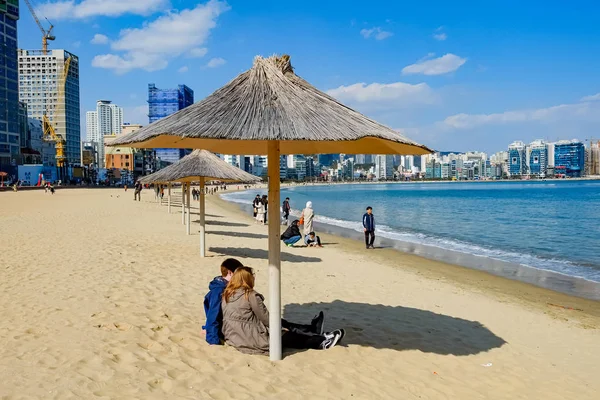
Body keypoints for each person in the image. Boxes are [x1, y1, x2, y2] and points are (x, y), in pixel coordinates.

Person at [222, 267, 344, 355]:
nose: (254, 279)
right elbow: (267, 319)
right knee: (289, 335)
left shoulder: (227, 295)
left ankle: (313, 330)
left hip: (235, 336)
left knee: (282, 323)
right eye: (252, 276)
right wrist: (280, 329)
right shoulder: (250, 295)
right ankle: (322, 341)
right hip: (252, 339)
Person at [202, 258, 244, 345]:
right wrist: (213, 340)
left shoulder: (226, 287)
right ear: (230, 272)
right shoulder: (219, 291)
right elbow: (213, 316)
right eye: (239, 274)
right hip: (223, 331)